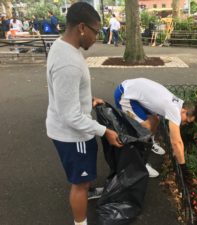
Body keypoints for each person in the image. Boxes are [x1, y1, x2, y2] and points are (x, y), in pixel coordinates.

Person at [45, 2, 123, 225]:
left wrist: (88, 100)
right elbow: (70, 115)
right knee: (78, 184)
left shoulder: (61, 47)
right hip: (73, 134)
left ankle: (87, 188)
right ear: (81, 27)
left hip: (69, 127)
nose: (97, 37)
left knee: (84, 177)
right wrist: (104, 131)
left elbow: (64, 95)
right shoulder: (68, 63)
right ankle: (80, 222)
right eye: (96, 31)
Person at [114, 78, 197, 178]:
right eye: (186, 120)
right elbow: (176, 142)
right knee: (146, 127)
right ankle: (141, 163)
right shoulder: (175, 110)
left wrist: (176, 150)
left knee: (155, 120)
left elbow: (175, 137)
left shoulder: (179, 104)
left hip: (132, 90)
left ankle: (150, 143)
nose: (184, 123)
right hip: (124, 95)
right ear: (184, 111)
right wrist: (183, 167)